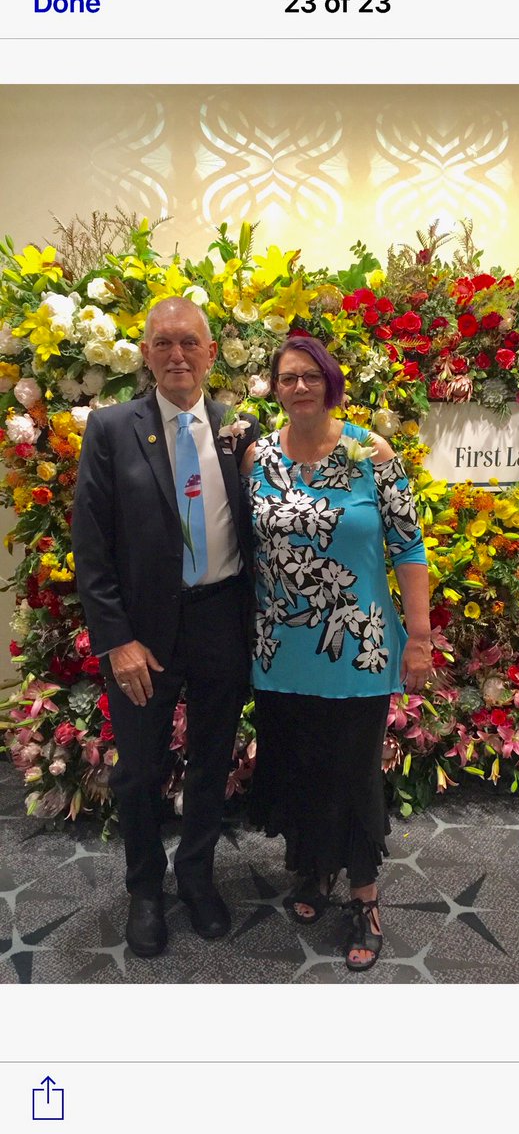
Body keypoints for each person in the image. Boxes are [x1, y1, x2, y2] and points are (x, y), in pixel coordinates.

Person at [72, 296, 259, 958]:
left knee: (211, 762)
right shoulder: (110, 429)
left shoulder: (240, 431)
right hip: (141, 635)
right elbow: (91, 549)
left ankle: (197, 878)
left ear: (210, 354)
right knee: (140, 769)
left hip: (220, 621)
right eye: (163, 344)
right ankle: (145, 890)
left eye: (190, 343)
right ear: (146, 355)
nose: (177, 355)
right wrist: (116, 639)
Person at [242, 335, 431, 972]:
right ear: (273, 386)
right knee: (298, 764)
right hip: (280, 648)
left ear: (331, 383)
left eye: (311, 377)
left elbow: (408, 548)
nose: (299, 387)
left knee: (352, 774)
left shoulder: (370, 452)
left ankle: (364, 898)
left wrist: (422, 638)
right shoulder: (257, 458)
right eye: (287, 377)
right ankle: (313, 873)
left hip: (357, 645)